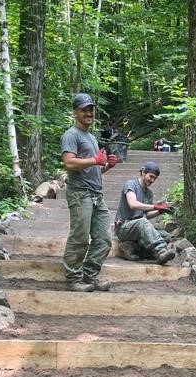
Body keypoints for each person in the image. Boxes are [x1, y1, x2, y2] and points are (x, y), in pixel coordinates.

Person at [61, 93, 118, 292]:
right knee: (80, 237)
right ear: (75, 112)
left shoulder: (91, 137)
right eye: (84, 109)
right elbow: (69, 163)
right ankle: (73, 279)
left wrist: (107, 166)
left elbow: (94, 167)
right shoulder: (71, 135)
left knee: (103, 239)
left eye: (91, 109)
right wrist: (95, 160)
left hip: (96, 194)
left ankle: (89, 276)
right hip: (80, 193)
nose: (88, 113)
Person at [114, 161, 175, 265]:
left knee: (165, 237)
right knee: (142, 223)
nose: (152, 180)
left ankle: (130, 247)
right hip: (123, 227)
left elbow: (145, 215)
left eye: (155, 178)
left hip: (138, 228)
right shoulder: (130, 184)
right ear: (143, 172)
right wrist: (155, 206)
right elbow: (132, 204)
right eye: (151, 176)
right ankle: (161, 253)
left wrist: (160, 211)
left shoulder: (149, 194)